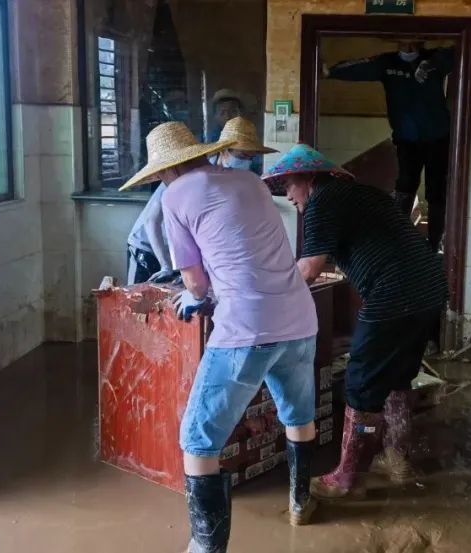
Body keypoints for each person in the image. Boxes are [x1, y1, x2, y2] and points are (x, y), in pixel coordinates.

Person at [119, 123, 320, 552]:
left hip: (246, 329)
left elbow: (192, 281)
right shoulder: (250, 181)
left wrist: (202, 297)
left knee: (197, 440)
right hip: (300, 319)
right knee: (299, 417)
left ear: (162, 172)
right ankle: (301, 503)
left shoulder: (175, 196)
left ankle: (206, 548)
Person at [263, 144, 449, 502]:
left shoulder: (322, 202)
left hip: (394, 295)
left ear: (308, 179)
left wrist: (265, 297)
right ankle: (398, 459)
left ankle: (348, 477)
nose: (288, 195)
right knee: (398, 375)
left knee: (360, 381)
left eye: (289, 185)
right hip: (429, 289)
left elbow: (309, 268)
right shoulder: (362, 194)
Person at [324, 39, 454, 251]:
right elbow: (360, 68)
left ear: (421, 42)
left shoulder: (434, 60)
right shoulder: (388, 63)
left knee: (437, 192)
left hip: (438, 138)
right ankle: (398, 242)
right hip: (406, 139)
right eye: (404, 41)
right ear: (397, 41)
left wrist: (429, 64)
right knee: (405, 186)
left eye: (414, 42)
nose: (409, 46)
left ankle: (433, 245)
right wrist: (330, 72)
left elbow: (458, 53)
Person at [125, 182, 176, 285]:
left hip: (171, 251)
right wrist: (165, 265)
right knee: (136, 295)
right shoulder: (171, 179)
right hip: (144, 247)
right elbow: (151, 221)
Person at [212, 116, 277, 174]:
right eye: (242, 156)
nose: (247, 163)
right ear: (223, 150)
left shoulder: (249, 174)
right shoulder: (206, 172)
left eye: (251, 158)